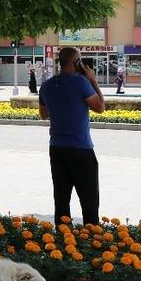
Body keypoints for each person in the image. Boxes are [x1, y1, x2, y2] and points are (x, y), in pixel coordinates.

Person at [38, 47, 105, 227]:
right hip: (81, 149)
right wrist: (92, 80)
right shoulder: (81, 82)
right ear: (77, 62)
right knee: (89, 200)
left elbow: (43, 114)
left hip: (57, 148)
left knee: (61, 199)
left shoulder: (47, 85)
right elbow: (100, 107)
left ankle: (62, 238)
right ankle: (92, 237)